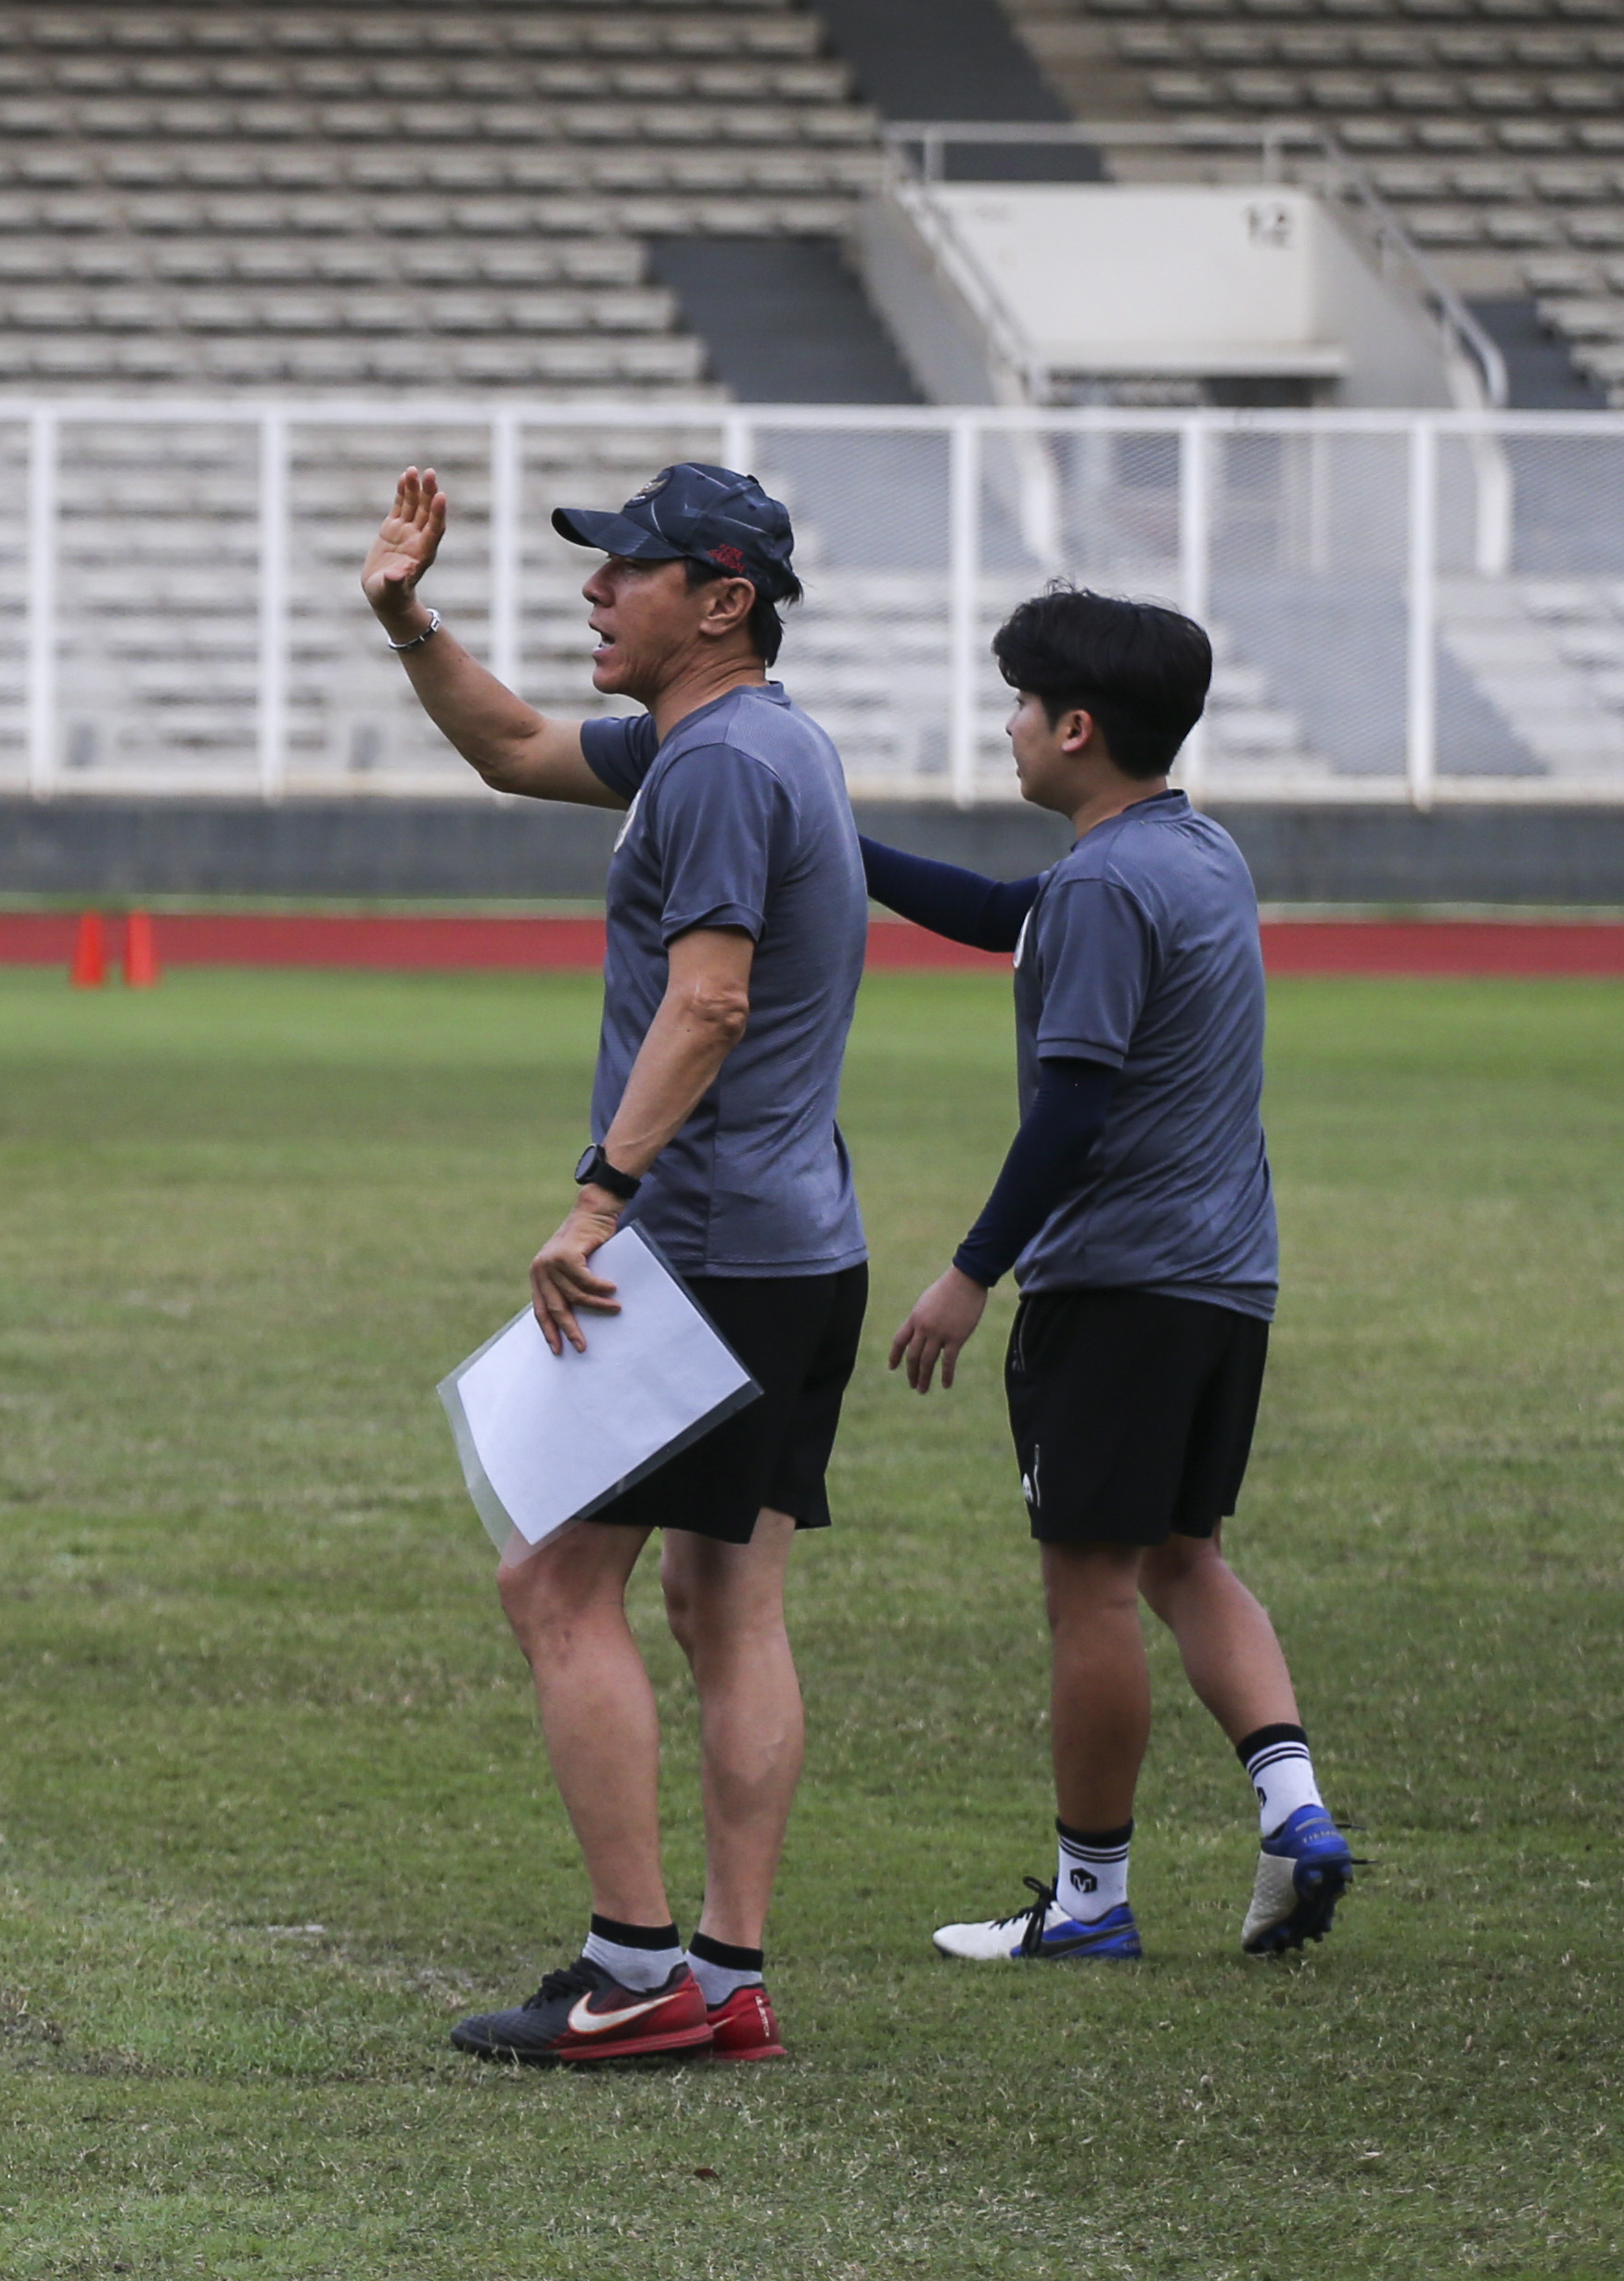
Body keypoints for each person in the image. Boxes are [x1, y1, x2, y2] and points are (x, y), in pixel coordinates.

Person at [361, 462, 867, 2070]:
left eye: (624, 567)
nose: (593, 589)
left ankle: (634, 1966)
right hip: (801, 1241)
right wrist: (405, 620)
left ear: (721, 600)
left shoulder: (717, 766)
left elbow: (707, 1002)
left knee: (550, 1580)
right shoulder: (742, 738)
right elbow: (514, 747)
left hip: (704, 1241)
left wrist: (598, 1195)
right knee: (730, 1599)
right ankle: (722, 1972)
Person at [869, 586, 1352, 1964]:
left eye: (1021, 703)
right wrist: (830, 847)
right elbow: (997, 907)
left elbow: (1071, 1108)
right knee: (1185, 1554)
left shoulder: (1098, 887)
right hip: (1226, 1281)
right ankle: (1295, 1808)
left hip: (1114, 1285)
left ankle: (1088, 1902)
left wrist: (971, 1271)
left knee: (1086, 1584)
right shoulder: (1196, 851)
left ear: (1074, 726)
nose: (1008, 724)